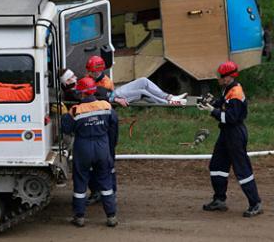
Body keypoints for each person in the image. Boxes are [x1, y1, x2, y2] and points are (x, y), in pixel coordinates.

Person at [197, 61, 263, 217]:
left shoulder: (236, 93)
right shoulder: (228, 88)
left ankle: (255, 203)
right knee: (217, 165)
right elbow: (222, 103)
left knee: (242, 169)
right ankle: (219, 200)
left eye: (220, 76)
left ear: (228, 77)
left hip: (235, 134)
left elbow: (231, 117)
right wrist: (211, 103)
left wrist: (212, 111)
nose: (218, 78)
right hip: (226, 134)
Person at [61, 76, 118, 227]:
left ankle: (79, 217)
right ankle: (111, 216)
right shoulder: (106, 106)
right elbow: (114, 125)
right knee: (105, 181)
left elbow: (65, 128)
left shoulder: (75, 110)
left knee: (80, 182)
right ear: (94, 90)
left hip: (83, 148)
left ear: (81, 93)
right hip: (102, 147)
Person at [85, 56, 187, 106]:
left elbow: (107, 92)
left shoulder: (104, 80)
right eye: (93, 71)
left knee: (143, 81)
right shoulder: (87, 82)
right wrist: (114, 99)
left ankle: (170, 97)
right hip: (113, 100)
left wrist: (113, 97)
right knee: (142, 93)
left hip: (114, 94)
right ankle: (168, 103)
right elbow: (97, 97)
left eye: (98, 71)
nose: (96, 73)